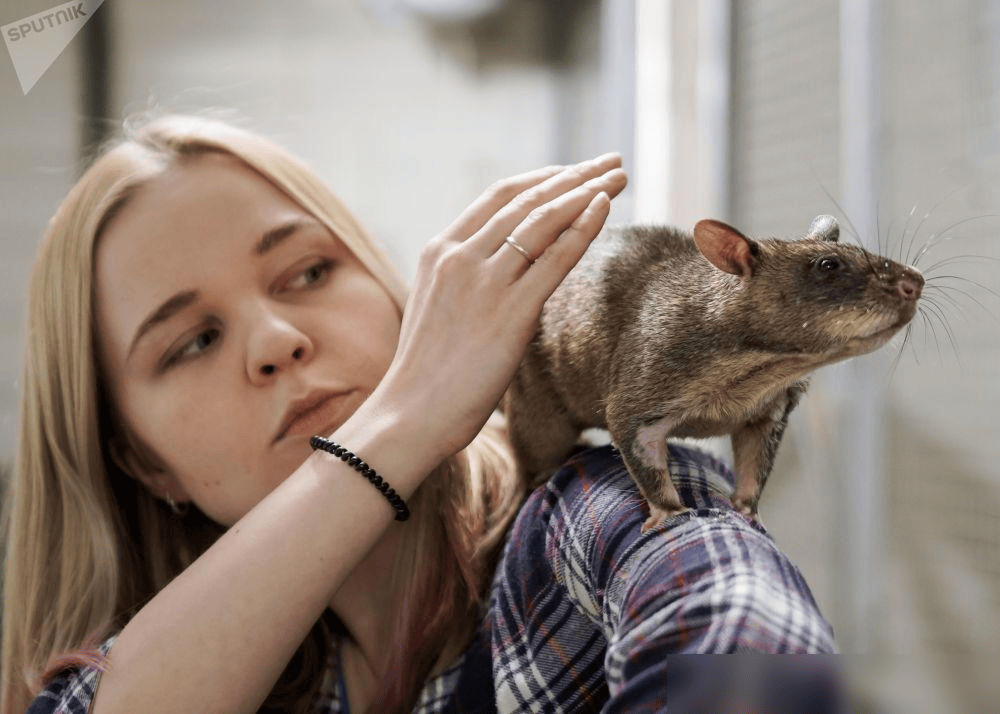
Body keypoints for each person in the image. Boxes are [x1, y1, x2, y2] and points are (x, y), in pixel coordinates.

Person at [1, 114, 839, 714]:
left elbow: (742, 644)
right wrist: (391, 426)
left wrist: (401, 422)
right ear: (144, 464)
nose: (277, 340)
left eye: (307, 272)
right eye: (192, 341)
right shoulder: (261, 679)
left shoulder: (590, 520)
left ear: (401, 296)